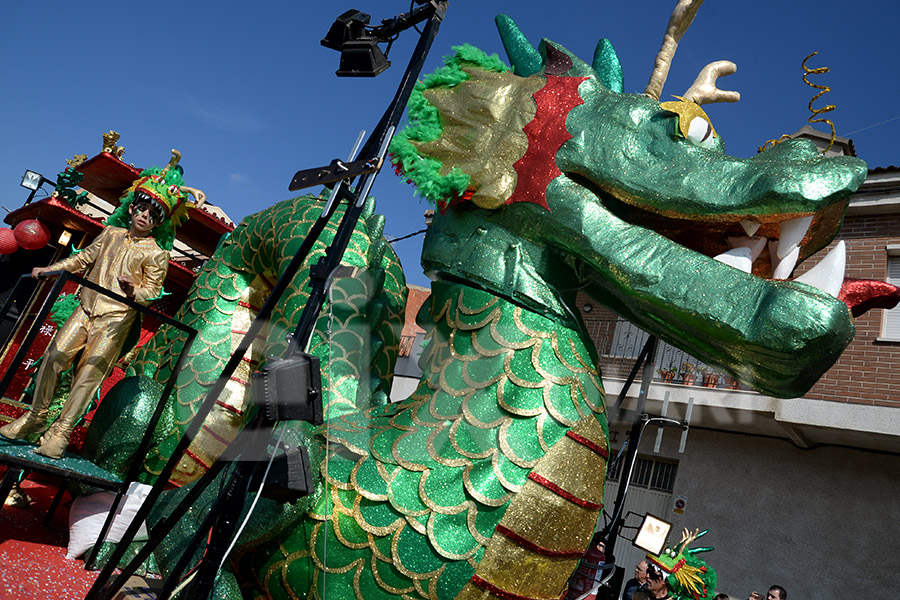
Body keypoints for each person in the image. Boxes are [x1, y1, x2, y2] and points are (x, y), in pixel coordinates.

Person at [0, 160, 195, 458]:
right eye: (141, 209)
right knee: (54, 356)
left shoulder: (157, 254)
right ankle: (34, 418)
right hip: (85, 309)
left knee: (88, 375)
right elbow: (82, 260)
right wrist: (50, 268)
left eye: (152, 215)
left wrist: (133, 290)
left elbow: (153, 292)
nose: (144, 216)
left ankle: (60, 433)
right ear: (131, 208)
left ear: (158, 222)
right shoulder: (110, 234)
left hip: (115, 321)